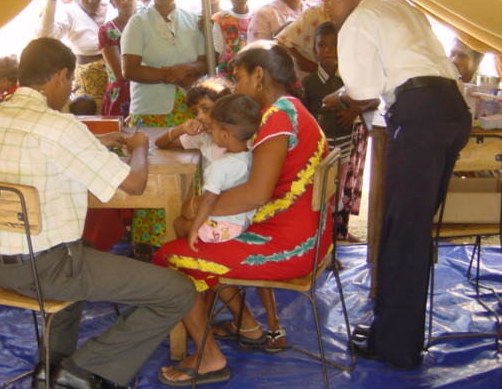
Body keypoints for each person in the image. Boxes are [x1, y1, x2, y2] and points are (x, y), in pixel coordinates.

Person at [0, 37, 196, 389]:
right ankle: (85, 369)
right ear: (60, 76)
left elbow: (46, 148)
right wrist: (139, 147)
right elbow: (135, 184)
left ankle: (50, 369)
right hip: (48, 269)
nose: (70, 89)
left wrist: (95, 144)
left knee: (83, 256)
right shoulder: (60, 127)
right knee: (178, 292)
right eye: (70, 81)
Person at [320, 0, 471, 369]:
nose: (324, 8)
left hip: (421, 115)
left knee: (404, 233)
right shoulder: (400, 5)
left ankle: (398, 345)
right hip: (452, 111)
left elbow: (364, 91)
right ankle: (392, 328)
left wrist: (340, 98)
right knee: (406, 228)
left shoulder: (355, 22)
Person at [154, 41, 332, 385]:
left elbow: (254, 194)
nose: (235, 88)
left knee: (171, 256)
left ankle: (209, 358)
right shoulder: (291, 109)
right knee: (196, 234)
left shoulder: (277, 118)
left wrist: (196, 209)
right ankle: (247, 326)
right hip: (306, 235)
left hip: (290, 246)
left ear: (259, 75)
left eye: (238, 78)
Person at [121, 0, 207, 259]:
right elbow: (129, 68)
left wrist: (188, 68)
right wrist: (170, 74)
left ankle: (184, 237)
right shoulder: (139, 22)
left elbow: (204, 61)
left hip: (185, 111)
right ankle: (148, 245)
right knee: (152, 176)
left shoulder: (191, 20)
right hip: (151, 112)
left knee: (188, 174)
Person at [302, 22, 376, 239]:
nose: (328, 50)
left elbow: (372, 99)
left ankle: (339, 231)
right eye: (322, 45)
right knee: (321, 191)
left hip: (345, 146)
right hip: (321, 149)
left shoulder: (351, 79)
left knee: (340, 189)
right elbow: (303, 115)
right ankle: (320, 234)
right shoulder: (309, 83)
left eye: (334, 45)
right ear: (315, 51)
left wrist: (354, 110)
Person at [176, 94, 260, 248]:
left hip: (223, 227)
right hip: (243, 222)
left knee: (179, 223)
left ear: (224, 135)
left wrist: (194, 228)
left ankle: (187, 249)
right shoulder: (251, 155)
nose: (210, 131)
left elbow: (208, 201)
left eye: (213, 128)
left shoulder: (219, 166)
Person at [37, 0, 108, 113]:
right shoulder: (70, 12)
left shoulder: (113, 8)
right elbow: (46, 36)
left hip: (114, 82)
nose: (91, 0)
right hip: (88, 86)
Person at [98, 0, 138, 116]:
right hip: (122, 97)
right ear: (112, 3)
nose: (125, 1)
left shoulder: (152, 21)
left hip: (149, 92)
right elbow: (120, 73)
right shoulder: (108, 31)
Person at [211, 0, 253, 80]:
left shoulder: (258, 17)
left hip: (253, 75)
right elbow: (218, 51)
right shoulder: (221, 19)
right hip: (229, 76)